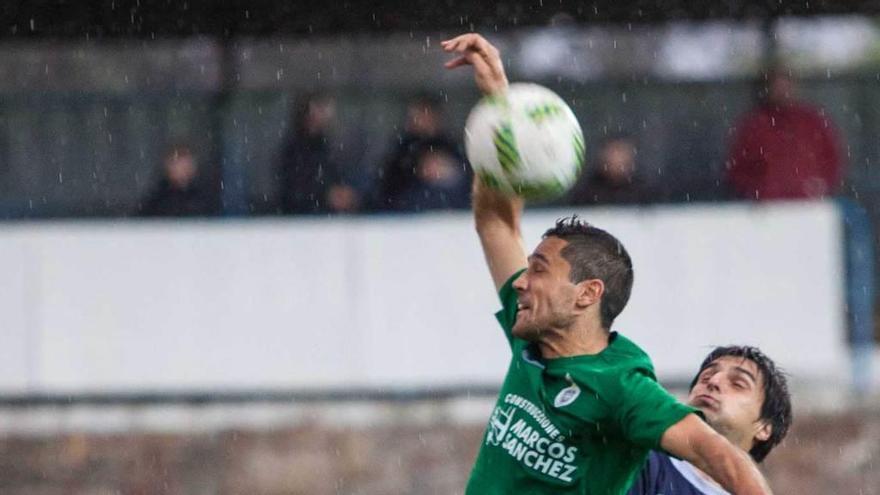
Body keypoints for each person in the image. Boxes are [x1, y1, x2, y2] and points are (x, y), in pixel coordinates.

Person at [442, 33, 773, 495]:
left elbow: (715, 455)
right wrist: (503, 108)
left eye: (539, 270)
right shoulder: (531, 339)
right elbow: (496, 225)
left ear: (587, 293)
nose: (521, 282)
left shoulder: (622, 386)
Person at [628, 346, 793, 494]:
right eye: (705, 377)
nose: (713, 382)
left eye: (737, 384)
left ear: (764, 428)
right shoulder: (639, 459)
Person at [725, 65, 843, 200]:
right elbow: (738, 169)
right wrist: (758, 191)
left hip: (809, 206)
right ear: (767, 88)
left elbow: (832, 159)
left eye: (785, 84)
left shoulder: (813, 121)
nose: (782, 90)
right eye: (776, 85)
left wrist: (821, 185)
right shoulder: (754, 125)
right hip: (769, 210)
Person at [374, 93, 468, 211]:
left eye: (424, 114)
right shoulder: (403, 148)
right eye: (415, 115)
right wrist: (417, 169)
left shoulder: (450, 146)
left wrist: (450, 172)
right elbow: (388, 186)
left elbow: (466, 178)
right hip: (409, 211)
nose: (418, 119)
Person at [277, 92, 359, 214]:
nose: (327, 114)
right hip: (302, 218)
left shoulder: (324, 145)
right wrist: (327, 195)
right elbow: (295, 188)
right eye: (321, 108)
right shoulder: (295, 149)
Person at [568, 133, 657, 205]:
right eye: (614, 152)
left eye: (623, 151)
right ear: (603, 155)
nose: (618, 158)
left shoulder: (643, 192)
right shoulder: (587, 193)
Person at [138, 143, 213, 217]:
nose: (182, 168)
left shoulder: (206, 198)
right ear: (168, 165)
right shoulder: (157, 199)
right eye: (177, 163)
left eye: (186, 163)